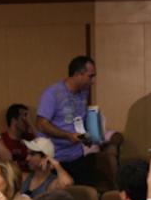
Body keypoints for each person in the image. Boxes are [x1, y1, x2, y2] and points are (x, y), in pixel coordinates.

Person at [36, 55, 108, 186]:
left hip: (76, 155)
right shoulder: (52, 93)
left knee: (84, 191)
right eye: (90, 76)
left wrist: (88, 136)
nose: (93, 81)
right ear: (78, 74)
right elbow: (41, 124)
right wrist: (67, 135)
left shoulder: (83, 93)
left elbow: (77, 120)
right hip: (55, 158)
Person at [0, 103, 36, 172]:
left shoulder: (29, 137)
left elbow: (44, 146)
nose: (27, 121)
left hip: (32, 176)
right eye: (24, 117)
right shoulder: (2, 140)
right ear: (14, 120)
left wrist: (31, 123)